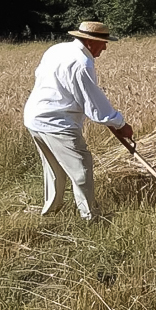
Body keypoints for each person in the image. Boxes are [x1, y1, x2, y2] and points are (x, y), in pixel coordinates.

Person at [23, 21, 133, 221]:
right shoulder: (82, 63)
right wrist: (120, 124)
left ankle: (51, 212)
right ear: (91, 42)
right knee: (81, 169)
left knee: (54, 171)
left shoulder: (56, 49)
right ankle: (90, 216)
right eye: (103, 42)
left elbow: (44, 78)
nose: (105, 47)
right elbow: (95, 106)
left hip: (34, 117)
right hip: (57, 123)